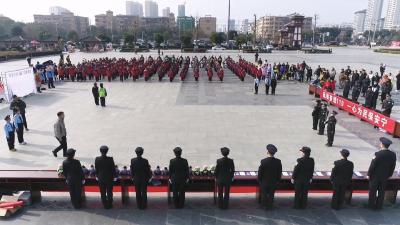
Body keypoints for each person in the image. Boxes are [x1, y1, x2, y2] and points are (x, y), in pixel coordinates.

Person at [367, 137, 396, 210]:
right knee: (381, 192)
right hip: (385, 176)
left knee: (372, 192)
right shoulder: (393, 154)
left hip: (375, 177)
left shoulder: (378, 154)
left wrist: (368, 174)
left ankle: (371, 206)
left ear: (382, 145)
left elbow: (372, 165)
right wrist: (389, 174)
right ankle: (379, 206)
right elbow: (393, 166)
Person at [257, 144, 282, 210]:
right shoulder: (278, 161)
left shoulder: (263, 161)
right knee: (271, 194)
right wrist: (278, 180)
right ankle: (270, 205)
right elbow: (279, 172)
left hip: (264, 181)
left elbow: (260, 172)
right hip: (273, 181)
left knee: (264, 194)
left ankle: (264, 205)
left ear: (267, 152)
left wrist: (259, 180)